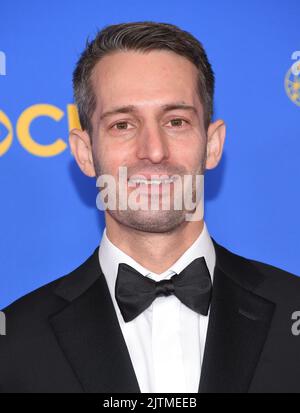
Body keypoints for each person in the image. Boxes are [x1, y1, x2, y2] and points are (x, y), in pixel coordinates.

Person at [1, 21, 300, 394]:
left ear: (212, 144)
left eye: (176, 121)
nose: (154, 151)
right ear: (83, 152)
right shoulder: (12, 344)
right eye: (123, 125)